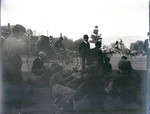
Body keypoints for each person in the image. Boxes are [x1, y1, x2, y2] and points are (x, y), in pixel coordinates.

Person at [2, 24, 28, 114]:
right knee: (18, 91)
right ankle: (17, 111)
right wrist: (17, 67)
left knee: (10, 91)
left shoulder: (8, 40)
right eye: (22, 33)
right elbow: (11, 56)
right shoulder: (12, 41)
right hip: (12, 70)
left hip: (9, 70)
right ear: (17, 32)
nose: (22, 36)